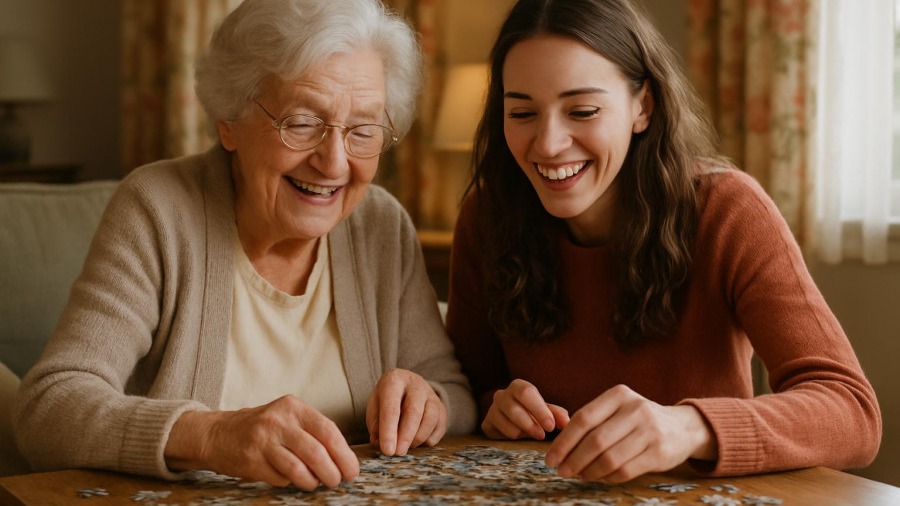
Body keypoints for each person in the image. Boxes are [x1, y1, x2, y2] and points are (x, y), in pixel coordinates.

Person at [13, 0, 476, 490]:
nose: (335, 163)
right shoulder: (159, 210)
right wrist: (210, 435)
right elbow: (49, 406)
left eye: (362, 130)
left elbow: (455, 394)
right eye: (301, 123)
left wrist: (430, 403)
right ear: (228, 121)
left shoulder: (380, 224)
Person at [446, 0, 881, 483]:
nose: (547, 143)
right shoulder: (487, 218)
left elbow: (852, 411)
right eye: (523, 112)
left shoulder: (728, 211)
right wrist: (496, 406)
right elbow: (469, 386)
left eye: (583, 110)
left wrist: (690, 426)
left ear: (643, 107)